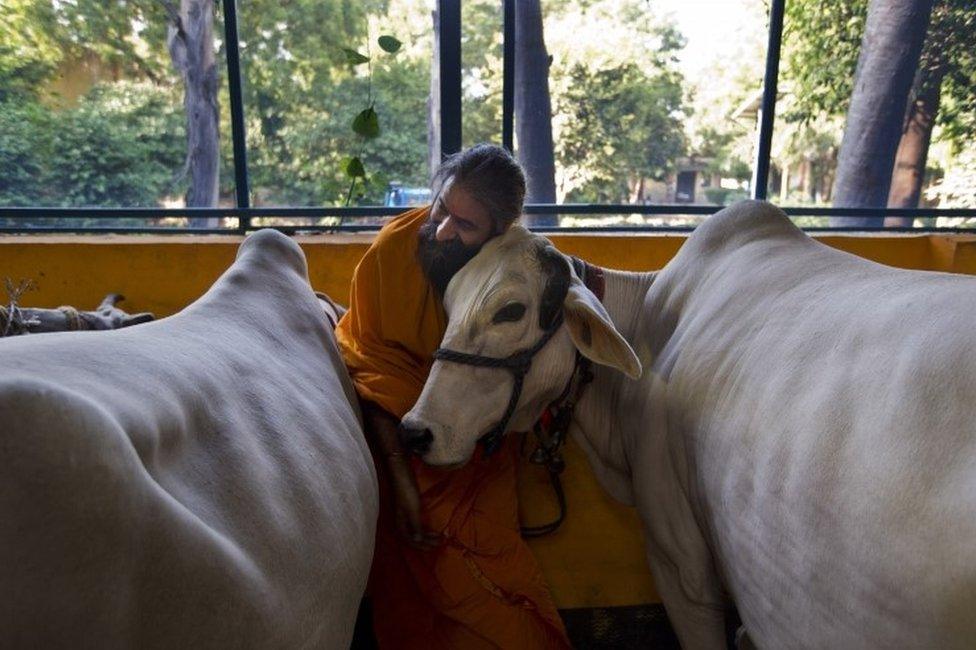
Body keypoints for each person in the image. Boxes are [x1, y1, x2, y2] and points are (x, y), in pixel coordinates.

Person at [335, 144, 571, 649]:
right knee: (414, 603)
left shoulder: (504, 264)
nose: (442, 230)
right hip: (400, 456)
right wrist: (401, 483)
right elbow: (371, 375)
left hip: (479, 462)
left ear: (499, 231)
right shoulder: (391, 255)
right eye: (442, 208)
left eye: (465, 226)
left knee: (498, 584)